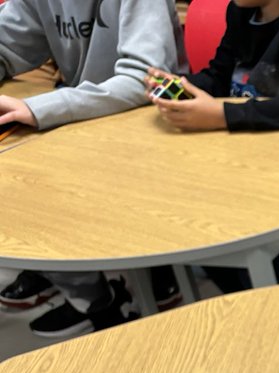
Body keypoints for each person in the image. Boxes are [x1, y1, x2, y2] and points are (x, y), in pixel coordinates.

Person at [0, 0, 185, 336]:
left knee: (34, 188)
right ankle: (94, 299)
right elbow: (8, 42)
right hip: (86, 116)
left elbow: (145, 80)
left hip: (156, 118)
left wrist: (39, 108)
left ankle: (116, 291)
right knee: (17, 183)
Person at [144, 0, 279, 292]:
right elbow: (218, 77)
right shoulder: (241, 13)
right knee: (208, 250)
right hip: (249, 165)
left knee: (256, 269)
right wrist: (181, 86)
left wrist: (223, 116)